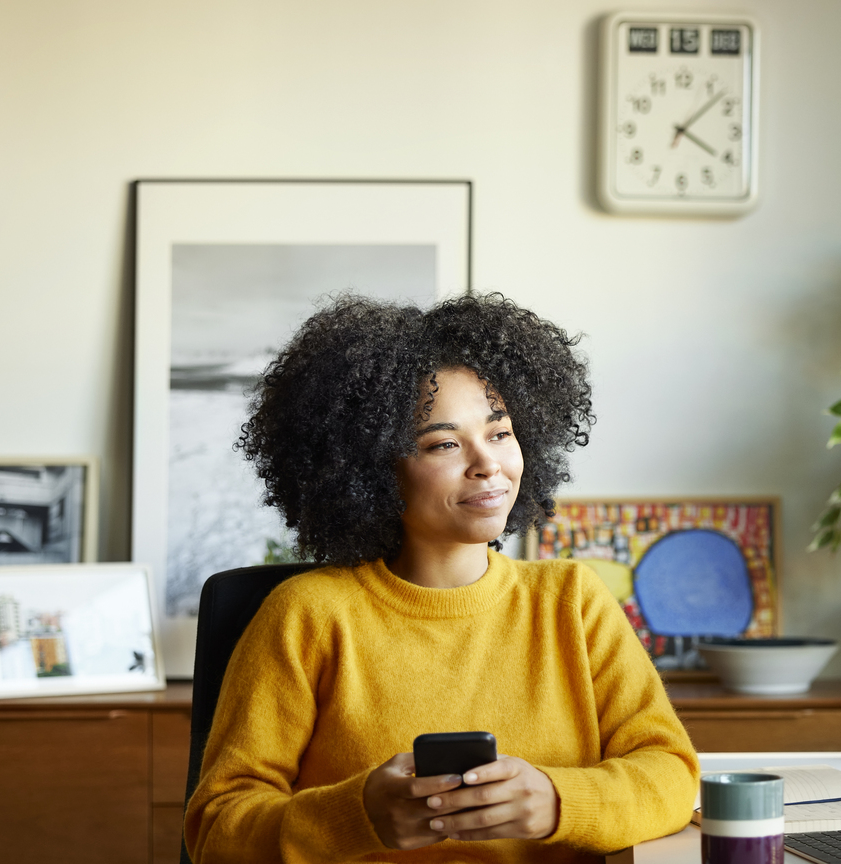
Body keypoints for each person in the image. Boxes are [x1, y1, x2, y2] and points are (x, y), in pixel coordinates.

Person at [185, 293, 699, 863]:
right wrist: (360, 818)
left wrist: (559, 801)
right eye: (444, 443)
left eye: (500, 432)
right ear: (371, 468)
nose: (487, 463)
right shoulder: (307, 614)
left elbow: (671, 773)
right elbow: (217, 831)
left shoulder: (572, 600)